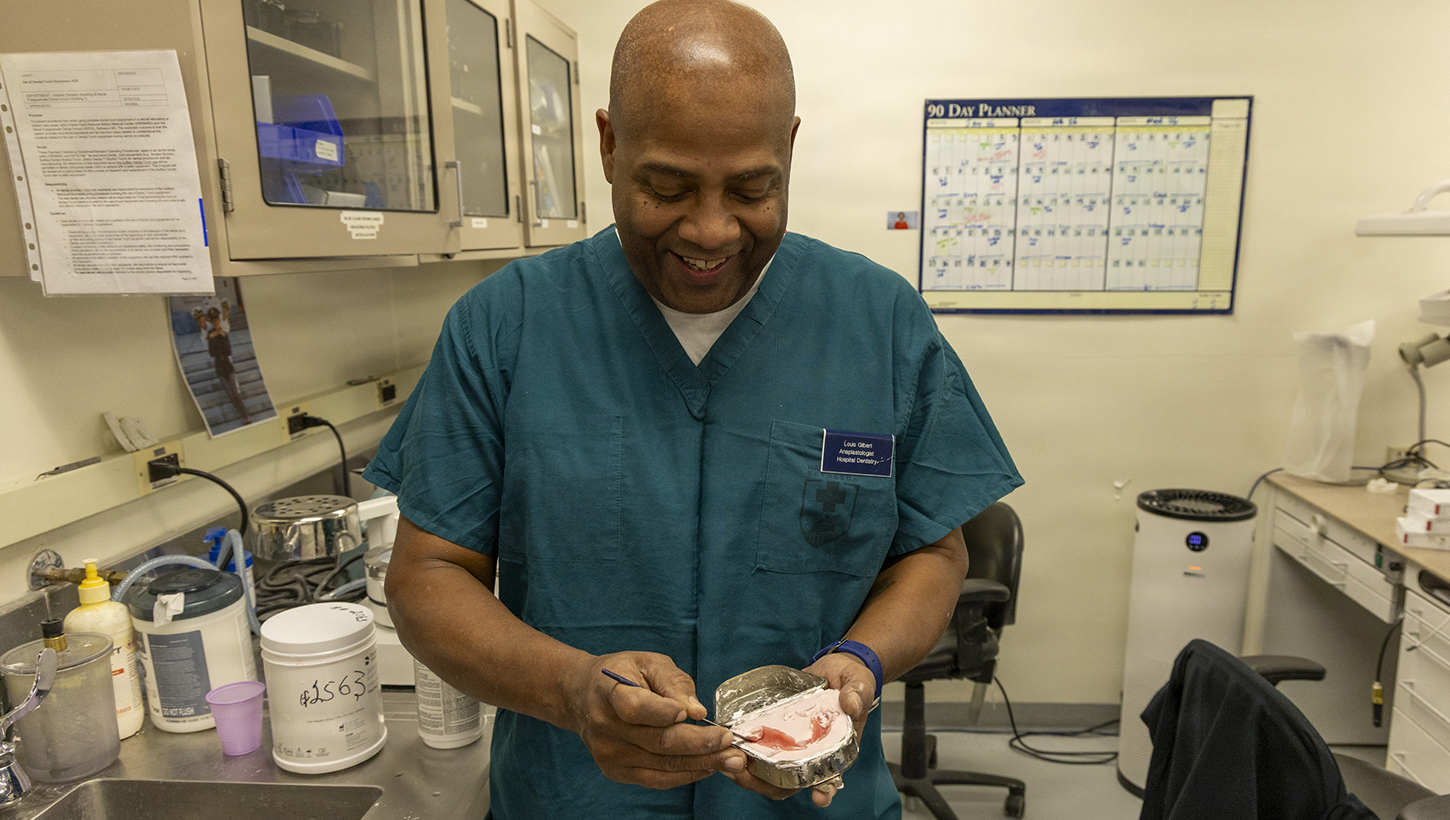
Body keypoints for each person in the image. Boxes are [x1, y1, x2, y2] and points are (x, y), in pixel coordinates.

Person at [364, 1, 1021, 817]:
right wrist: (573, 690)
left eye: (752, 188)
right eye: (667, 187)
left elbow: (934, 554)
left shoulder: (878, 321)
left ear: (789, 147)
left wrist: (863, 657)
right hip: (575, 798)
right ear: (608, 145)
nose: (711, 231)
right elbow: (428, 575)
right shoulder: (503, 327)